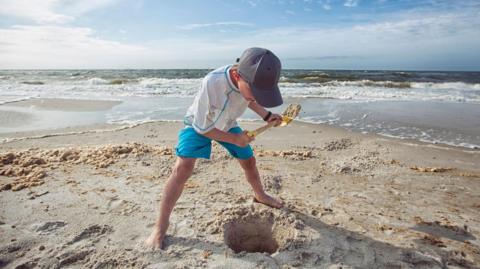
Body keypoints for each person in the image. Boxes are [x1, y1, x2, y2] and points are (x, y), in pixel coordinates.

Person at [145, 47, 285, 249]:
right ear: (238, 75)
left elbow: (250, 99)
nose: (256, 96)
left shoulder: (246, 82)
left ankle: (260, 194)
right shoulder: (212, 83)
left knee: (249, 160)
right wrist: (235, 139)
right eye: (255, 91)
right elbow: (203, 128)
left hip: (227, 122)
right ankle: (160, 226)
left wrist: (266, 115)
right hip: (199, 124)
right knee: (182, 169)